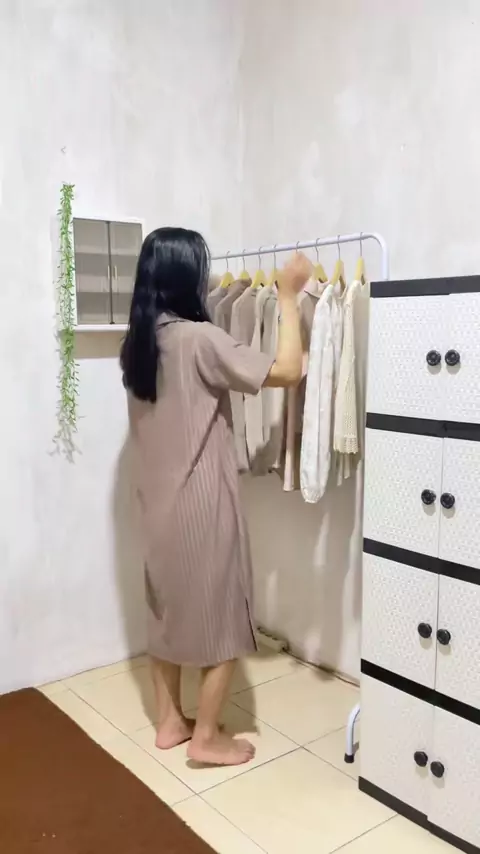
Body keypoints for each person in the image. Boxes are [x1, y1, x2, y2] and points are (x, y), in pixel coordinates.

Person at [121, 227, 311, 766]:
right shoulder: (199, 339)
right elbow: (289, 370)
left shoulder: (139, 344)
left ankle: (169, 723)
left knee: (165, 612)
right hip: (201, 504)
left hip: (155, 507)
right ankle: (205, 737)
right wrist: (288, 297)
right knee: (224, 617)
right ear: (188, 277)